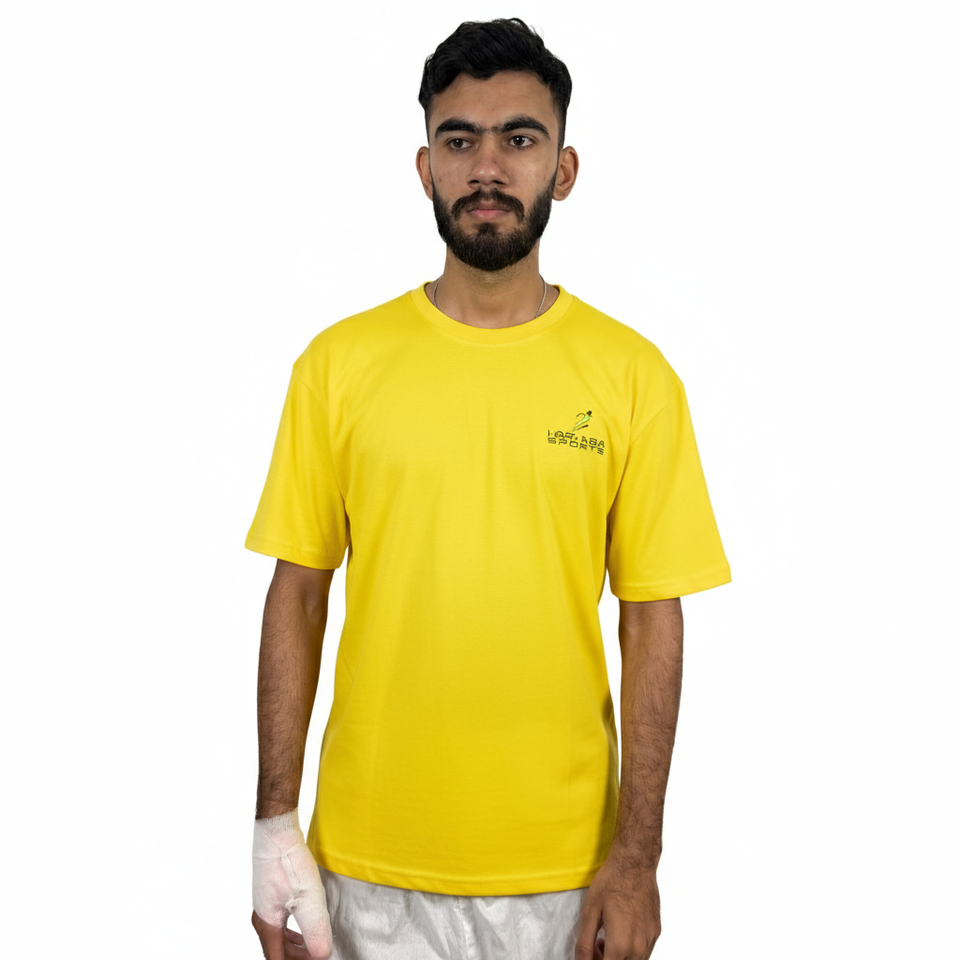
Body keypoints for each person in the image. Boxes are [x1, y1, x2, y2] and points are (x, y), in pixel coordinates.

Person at [246, 18, 730, 960]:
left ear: (565, 168)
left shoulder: (634, 377)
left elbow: (651, 620)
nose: (488, 167)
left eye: (519, 138)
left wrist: (638, 859)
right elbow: (296, 593)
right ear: (425, 167)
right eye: (459, 140)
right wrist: (274, 823)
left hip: (568, 877)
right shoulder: (337, 366)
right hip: (365, 871)